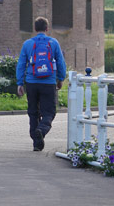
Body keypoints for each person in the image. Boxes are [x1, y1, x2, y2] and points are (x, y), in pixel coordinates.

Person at [16, 16, 67, 152]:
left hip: (31, 82)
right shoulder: (53, 43)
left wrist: (20, 83)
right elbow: (61, 63)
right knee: (49, 112)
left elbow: (21, 64)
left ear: (35, 28)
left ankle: (36, 143)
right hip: (48, 82)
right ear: (47, 28)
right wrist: (60, 79)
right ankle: (41, 130)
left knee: (33, 112)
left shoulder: (27, 44)